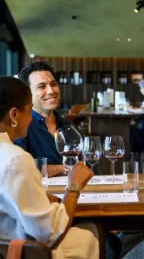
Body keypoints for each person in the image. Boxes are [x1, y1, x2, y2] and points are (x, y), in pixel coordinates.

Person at [0, 76, 100, 258]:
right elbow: (51, 234)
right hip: (24, 252)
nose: (31, 118)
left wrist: (39, 196)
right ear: (14, 114)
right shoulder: (14, 159)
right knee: (90, 232)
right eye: (30, 111)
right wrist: (74, 187)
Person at [14, 61, 73, 177]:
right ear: (27, 93)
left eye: (53, 84)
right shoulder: (19, 128)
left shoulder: (69, 127)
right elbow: (20, 169)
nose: (51, 91)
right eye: (42, 86)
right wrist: (60, 168)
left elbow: (86, 167)